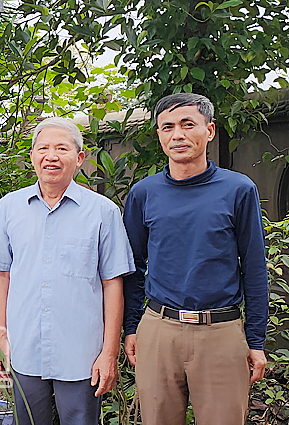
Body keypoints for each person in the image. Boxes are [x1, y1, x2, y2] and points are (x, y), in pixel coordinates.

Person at [122, 93, 268, 425]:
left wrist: (256, 339)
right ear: (159, 135)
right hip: (159, 330)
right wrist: (132, 326)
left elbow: (256, 269)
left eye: (188, 125)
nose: (178, 135)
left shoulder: (237, 190)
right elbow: (133, 265)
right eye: (167, 127)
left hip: (221, 332)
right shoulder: (144, 194)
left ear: (210, 130)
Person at [0, 117, 134, 425]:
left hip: (82, 353)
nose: (51, 156)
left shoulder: (103, 212)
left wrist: (109, 352)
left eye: (61, 148)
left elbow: (112, 284)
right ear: (33, 156)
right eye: (43, 148)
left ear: (79, 159)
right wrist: (1, 334)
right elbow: (1, 275)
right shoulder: (9, 208)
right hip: (24, 348)